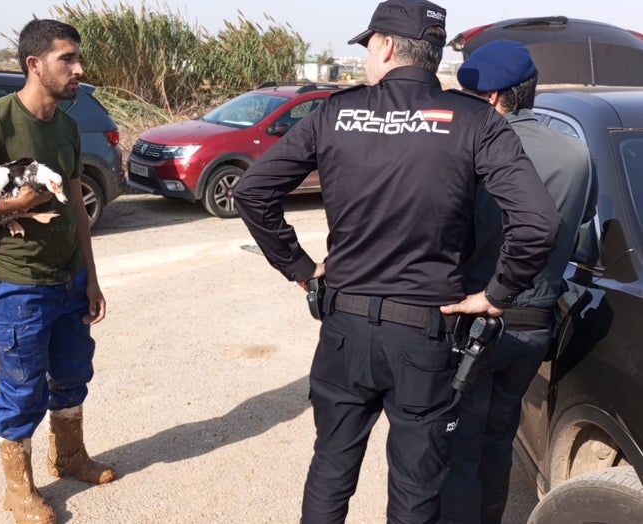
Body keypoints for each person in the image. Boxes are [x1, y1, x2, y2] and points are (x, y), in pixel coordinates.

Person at [233, 1, 562, 522]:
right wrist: (495, 295)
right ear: (431, 53)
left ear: (385, 45)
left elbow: (252, 192)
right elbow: (539, 222)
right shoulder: (474, 119)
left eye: (367, 46)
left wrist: (299, 267)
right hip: (426, 338)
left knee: (331, 469)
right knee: (416, 488)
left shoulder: (336, 112)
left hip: (345, 327)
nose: (366, 56)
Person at [0, 19, 115, 524]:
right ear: (35, 65)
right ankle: (18, 490)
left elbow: (77, 202)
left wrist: (92, 276)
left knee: (74, 372)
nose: (79, 68)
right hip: (17, 282)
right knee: (22, 387)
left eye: (78, 58)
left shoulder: (68, 125)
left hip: (69, 277)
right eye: (67, 59)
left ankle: (70, 455)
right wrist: (15, 200)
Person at [440, 40, 597, 524]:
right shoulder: (576, 154)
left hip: (474, 320)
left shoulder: (472, 148)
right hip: (534, 329)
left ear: (489, 98)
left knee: (458, 446)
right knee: (499, 438)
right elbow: (582, 228)